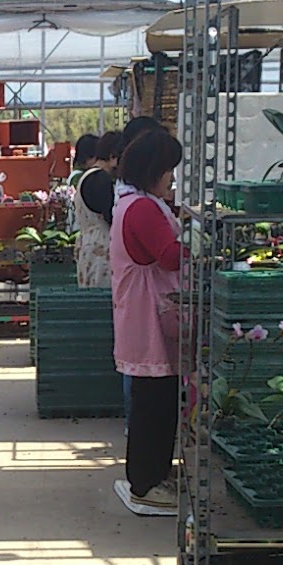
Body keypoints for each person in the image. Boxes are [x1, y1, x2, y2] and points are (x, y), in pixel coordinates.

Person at [110, 126, 187, 511]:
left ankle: (155, 472)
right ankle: (146, 481)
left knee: (156, 402)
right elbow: (170, 256)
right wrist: (199, 244)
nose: (172, 178)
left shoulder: (132, 203)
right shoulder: (141, 208)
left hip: (143, 314)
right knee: (153, 405)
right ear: (153, 170)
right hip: (148, 316)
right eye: (168, 170)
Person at [74, 129, 126, 286]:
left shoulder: (87, 176)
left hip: (88, 245)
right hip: (101, 249)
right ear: (113, 157)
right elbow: (110, 216)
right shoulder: (100, 179)